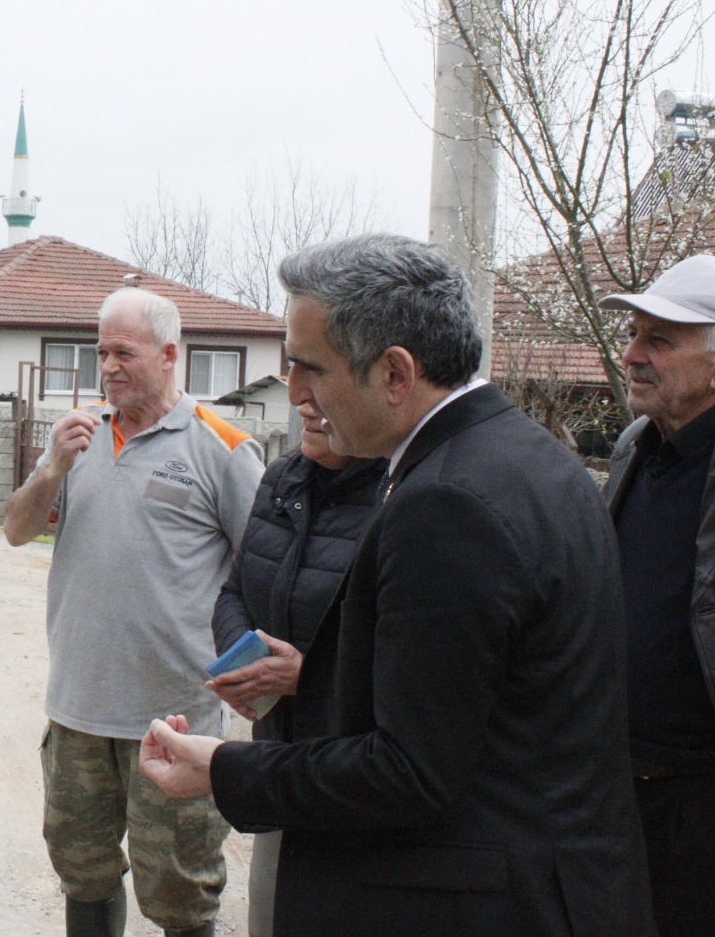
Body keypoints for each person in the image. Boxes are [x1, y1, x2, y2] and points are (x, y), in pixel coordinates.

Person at [138, 234, 652, 937]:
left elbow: (410, 772)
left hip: (476, 904)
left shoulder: (447, 504)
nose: (295, 393)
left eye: (310, 368)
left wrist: (228, 768)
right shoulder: (528, 457)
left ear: (395, 372)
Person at [4, 287, 264, 937]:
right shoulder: (78, 437)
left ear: (170, 354)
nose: (108, 366)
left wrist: (246, 674)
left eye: (124, 352)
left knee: (181, 893)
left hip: (174, 720)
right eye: (101, 353)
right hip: (77, 713)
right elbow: (15, 529)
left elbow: (265, 573)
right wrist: (52, 470)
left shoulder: (222, 447)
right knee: (82, 872)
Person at [209, 401, 386, 937]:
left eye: (321, 378)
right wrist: (247, 666)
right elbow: (235, 590)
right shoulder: (283, 477)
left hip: (360, 780)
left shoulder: (401, 495)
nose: (303, 402)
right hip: (282, 763)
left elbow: (415, 659)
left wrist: (307, 675)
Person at [599, 254, 715, 937]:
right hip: (617, 792)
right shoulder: (634, 449)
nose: (632, 355)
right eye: (634, 335)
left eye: (659, 340)